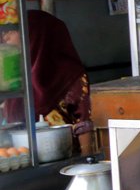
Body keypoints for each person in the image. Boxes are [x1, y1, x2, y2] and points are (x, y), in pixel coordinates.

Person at [2, 9, 94, 155]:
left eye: (13, 31)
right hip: (21, 158)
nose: (5, 37)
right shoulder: (15, 73)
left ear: (35, 34)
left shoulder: (69, 74)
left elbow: (84, 123)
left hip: (63, 157)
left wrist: (87, 162)